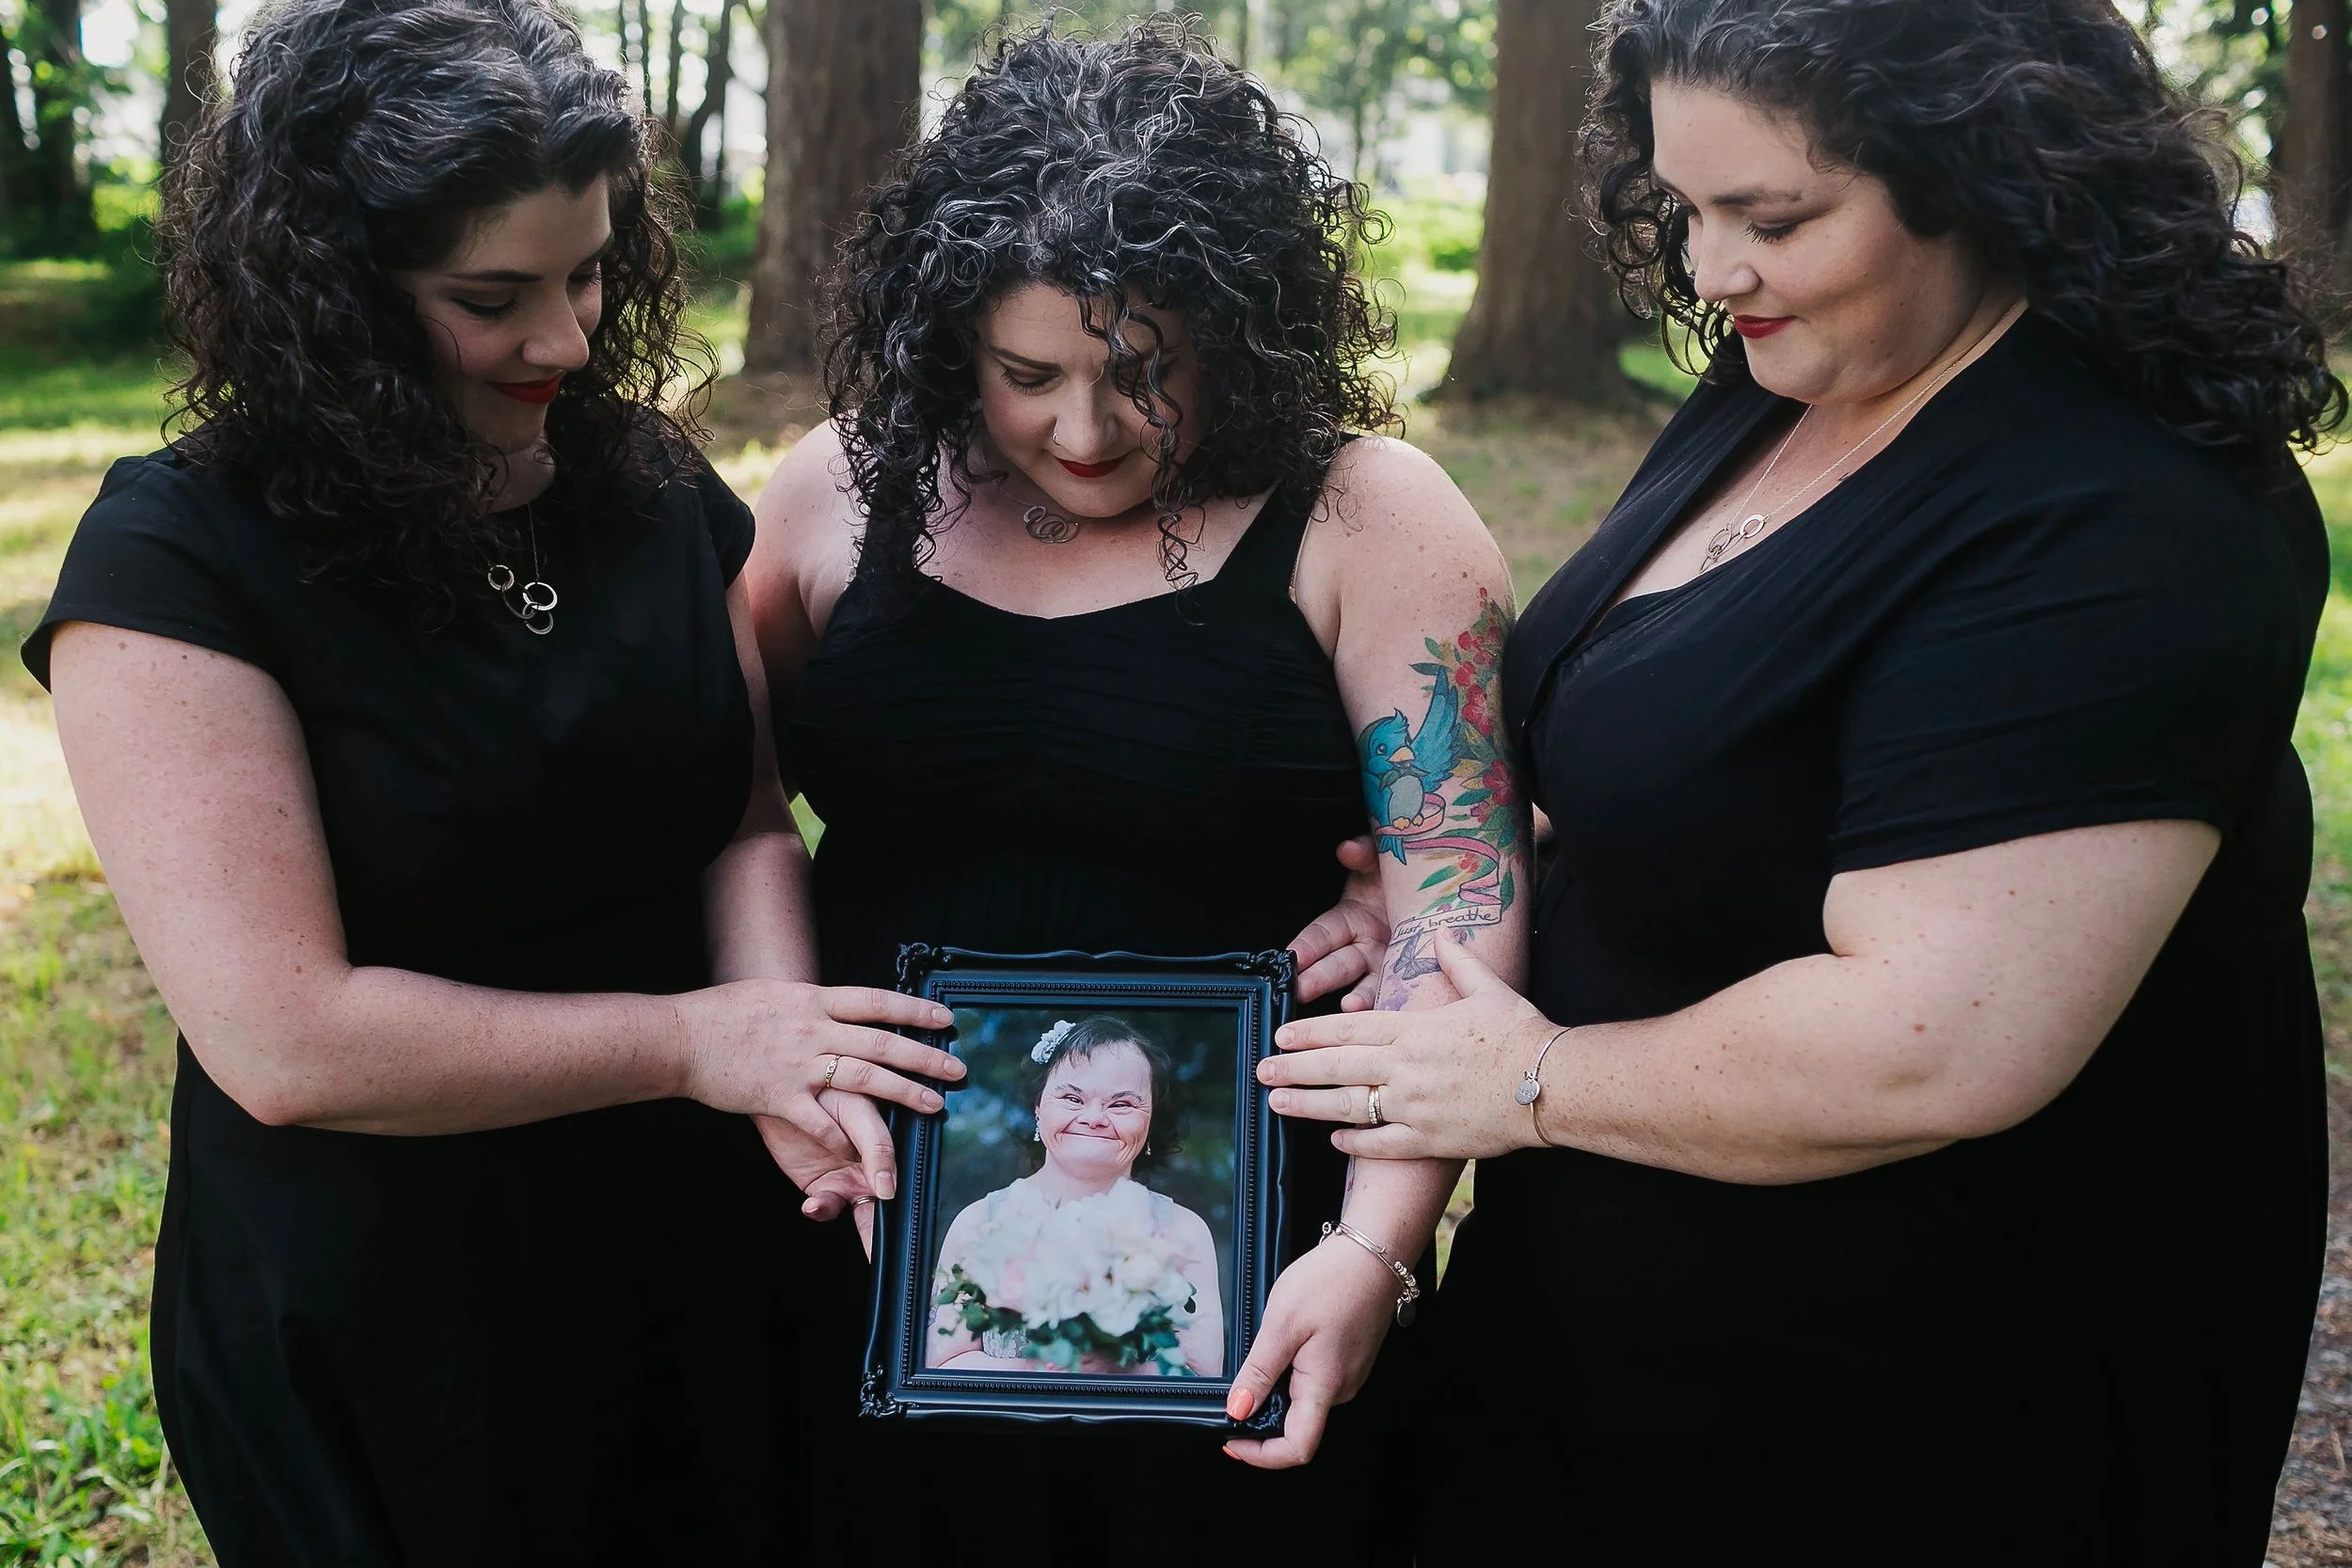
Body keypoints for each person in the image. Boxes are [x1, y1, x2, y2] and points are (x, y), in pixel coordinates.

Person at [1263, 1, 2337, 1561]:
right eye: (1690, 208)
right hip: (1614, 1369)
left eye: (1772, 217)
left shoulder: (2129, 511)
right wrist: (1494, 891)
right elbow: (1715, 737)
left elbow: (1935, 1042)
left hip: (1929, 1413)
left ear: (1978, 171)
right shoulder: (1801, 376)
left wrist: (1526, 1080)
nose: (1708, 270)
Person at [23, 0, 969, 1559]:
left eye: (591, 271)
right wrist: (696, 1042)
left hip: (692, 1222)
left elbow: (737, 814)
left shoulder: (647, 485)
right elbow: (288, 1039)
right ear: (326, 294)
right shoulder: (177, 560)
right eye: (492, 296)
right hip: (402, 1280)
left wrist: (783, 1056)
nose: (568, 340)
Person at [743, 18, 1528, 1564]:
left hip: (1248, 1231)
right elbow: (736, 804)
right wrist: (775, 1042)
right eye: (1027, 374)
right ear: (949, 325)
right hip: (870, 1187)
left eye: (1143, 372)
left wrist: (1380, 1241)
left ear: (1238, 324)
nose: (1086, 432)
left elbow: (1463, 897)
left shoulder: (1369, 513)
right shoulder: (831, 490)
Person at [928, 1017, 1223, 1378]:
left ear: (1151, 1122)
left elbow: (1201, 1373)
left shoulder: (1183, 1232)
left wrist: (1113, 1373)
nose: (1094, 1117)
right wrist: (1047, 1370)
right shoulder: (980, 1222)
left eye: (1122, 1105)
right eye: (1072, 1098)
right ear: (1039, 1107)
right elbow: (943, 1365)